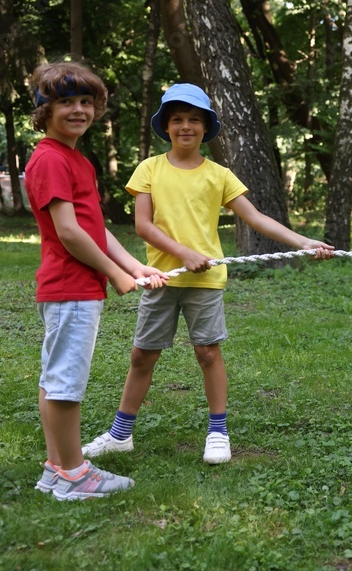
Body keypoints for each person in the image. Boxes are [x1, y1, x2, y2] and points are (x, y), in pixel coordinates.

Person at [81, 83, 334, 465]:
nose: (186, 126)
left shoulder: (219, 174)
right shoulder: (149, 168)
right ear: (166, 126)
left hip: (205, 281)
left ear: (206, 127)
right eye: (178, 119)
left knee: (208, 353)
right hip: (160, 279)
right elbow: (144, 226)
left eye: (194, 120)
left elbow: (257, 217)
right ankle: (120, 435)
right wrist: (184, 252)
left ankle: (218, 431)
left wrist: (301, 241)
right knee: (141, 357)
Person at [25, 61, 167, 501]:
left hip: (77, 287)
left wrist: (134, 266)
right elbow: (68, 232)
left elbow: (95, 227)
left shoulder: (75, 159)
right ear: (43, 109)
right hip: (70, 286)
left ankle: (57, 469)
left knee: (57, 379)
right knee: (65, 384)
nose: (79, 110)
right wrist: (115, 275)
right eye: (66, 101)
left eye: (86, 101)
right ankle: (73, 475)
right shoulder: (49, 158)